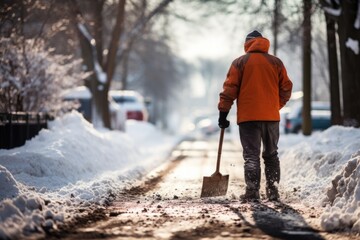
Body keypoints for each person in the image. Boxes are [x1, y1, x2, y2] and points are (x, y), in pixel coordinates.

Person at [217, 30, 293, 202]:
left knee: (251, 156)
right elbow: (286, 88)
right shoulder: (276, 62)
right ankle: (272, 191)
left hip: (248, 118)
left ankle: (252, 192)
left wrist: (223, 113)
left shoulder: (240, 63)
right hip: (271, 118)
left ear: (247, 44)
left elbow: (229, 90)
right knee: (271, 154)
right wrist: (274, 106)